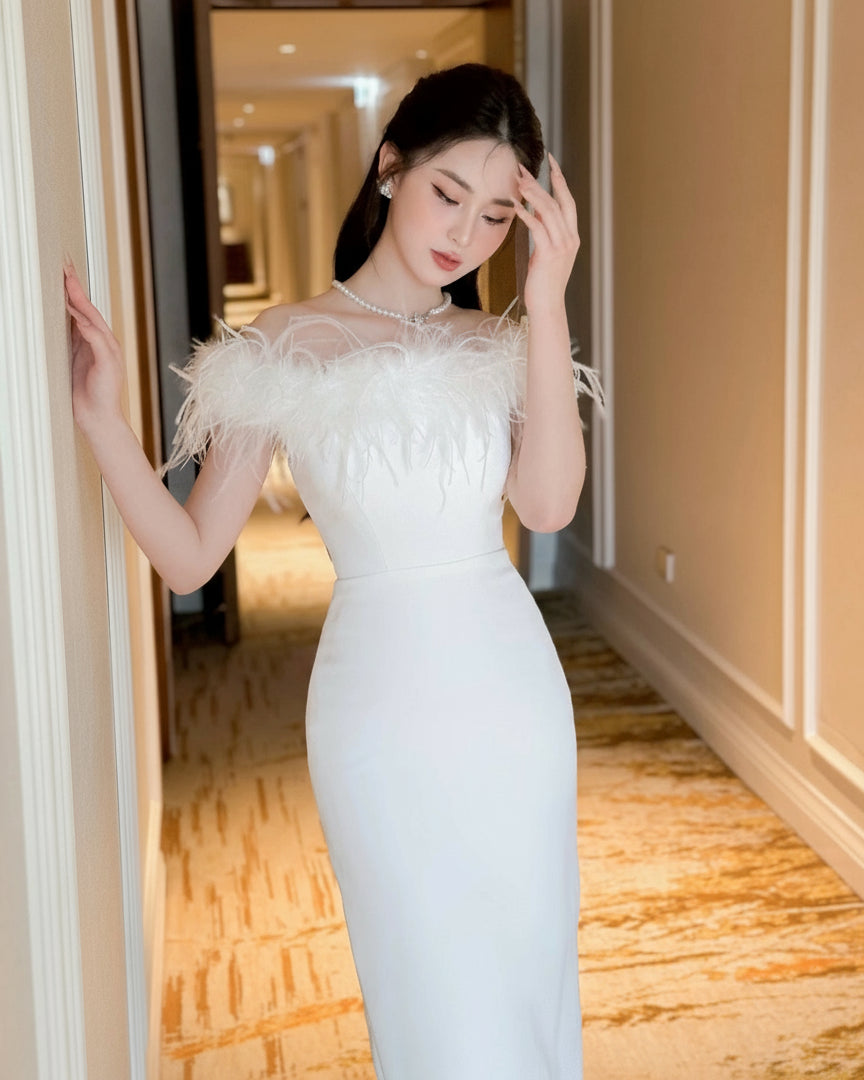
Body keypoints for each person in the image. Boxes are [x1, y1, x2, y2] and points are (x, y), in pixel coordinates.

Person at [65, 62, 604, 1079]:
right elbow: (190, 555)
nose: (466, 234)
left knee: (527, 970)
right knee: (425, 982)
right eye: (450, 194)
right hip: (378, 711)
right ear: (391, 166)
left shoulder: (499, 340)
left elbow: (547, 507)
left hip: (511, 697)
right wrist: (102, 422)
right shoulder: (288, 341)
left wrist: (547, 300)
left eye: (498, 216)